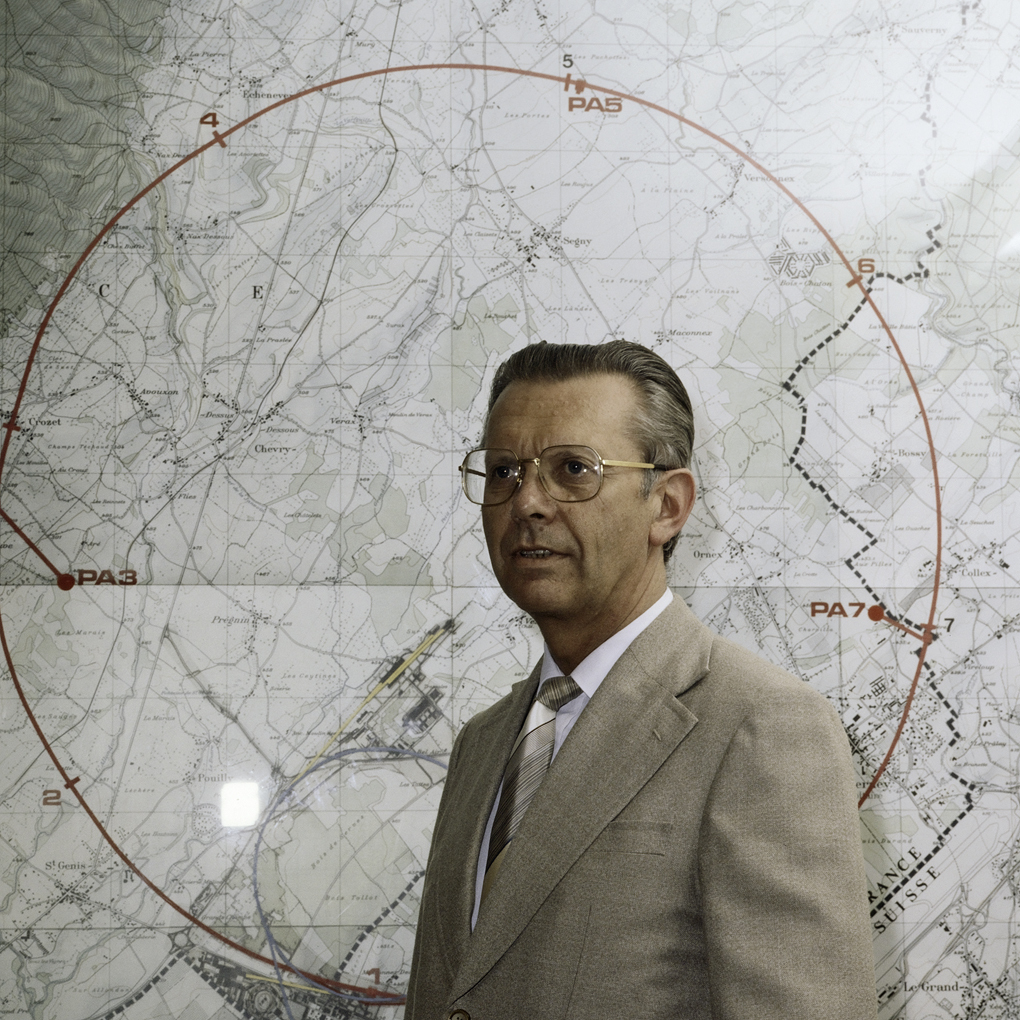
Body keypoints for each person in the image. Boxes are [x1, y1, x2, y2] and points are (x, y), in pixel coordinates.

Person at [406, 340, 877, 1020]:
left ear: (668, 505)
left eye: (573, 469)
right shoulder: (482, 745)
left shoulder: (761, 728)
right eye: (505, 471)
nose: (527, 502)